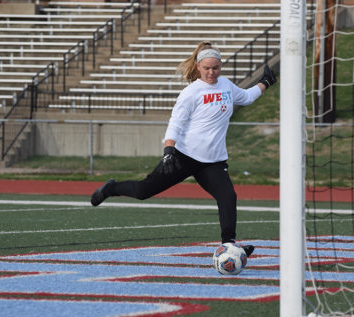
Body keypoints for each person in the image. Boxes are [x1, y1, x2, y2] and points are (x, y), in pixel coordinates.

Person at [90, 41, 277, 257]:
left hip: (213, 162)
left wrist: (265, 82)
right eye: (207, 68)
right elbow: (176, 122)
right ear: (198, 67)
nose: (211, 72)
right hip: (184, 156)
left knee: (228, 196)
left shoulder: (226, 85)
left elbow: (246, 97)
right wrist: (169, 150)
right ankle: (111, 188)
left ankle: (229, 245)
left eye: (215, 68)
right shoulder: (191, 92)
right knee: (143, 192)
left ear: (220, 67)